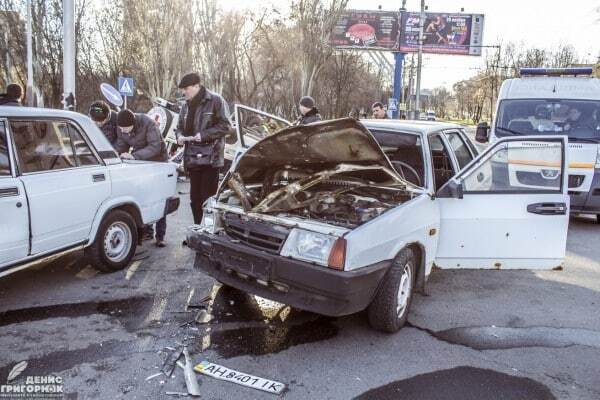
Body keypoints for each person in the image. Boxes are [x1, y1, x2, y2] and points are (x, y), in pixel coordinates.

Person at [175, 72, 231, 225]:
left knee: (207, 200)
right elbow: (179, 127)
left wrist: (204, 135)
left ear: (196, 86)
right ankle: (197, 229)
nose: (183, 92)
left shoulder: (215, 100)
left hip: (210, 160)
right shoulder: (185, 106)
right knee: (195, 200)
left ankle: (208, 231)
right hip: (192, 159)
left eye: (186, 88)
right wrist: (179, 136)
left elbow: (226, 126)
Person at [115, 109, 169, 247]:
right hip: (141, 163)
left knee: (159, 196)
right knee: (144, 196)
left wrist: (134, 156)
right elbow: (121, 144)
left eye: (126, 128)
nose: (123, 131)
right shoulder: (121, 127)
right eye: (121, 129)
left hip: (158, 161)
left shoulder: (148, 123)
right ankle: (147, 231)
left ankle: (160, 235)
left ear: (133, 123)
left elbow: (155, 146)